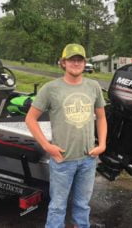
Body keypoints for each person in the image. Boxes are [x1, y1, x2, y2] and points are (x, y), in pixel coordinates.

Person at [25, 43, 107, 228]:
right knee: (57, 207)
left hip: (88, 159)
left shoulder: (93, 86)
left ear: (85, 63)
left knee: (82, 205)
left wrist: (102, 144)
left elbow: (101, 117)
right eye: (71, 59)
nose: (75, 63)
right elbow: (30, 119)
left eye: (79, 59)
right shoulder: (51, 88)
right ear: (63, 63)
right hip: (62, 160)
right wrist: (47, 146)